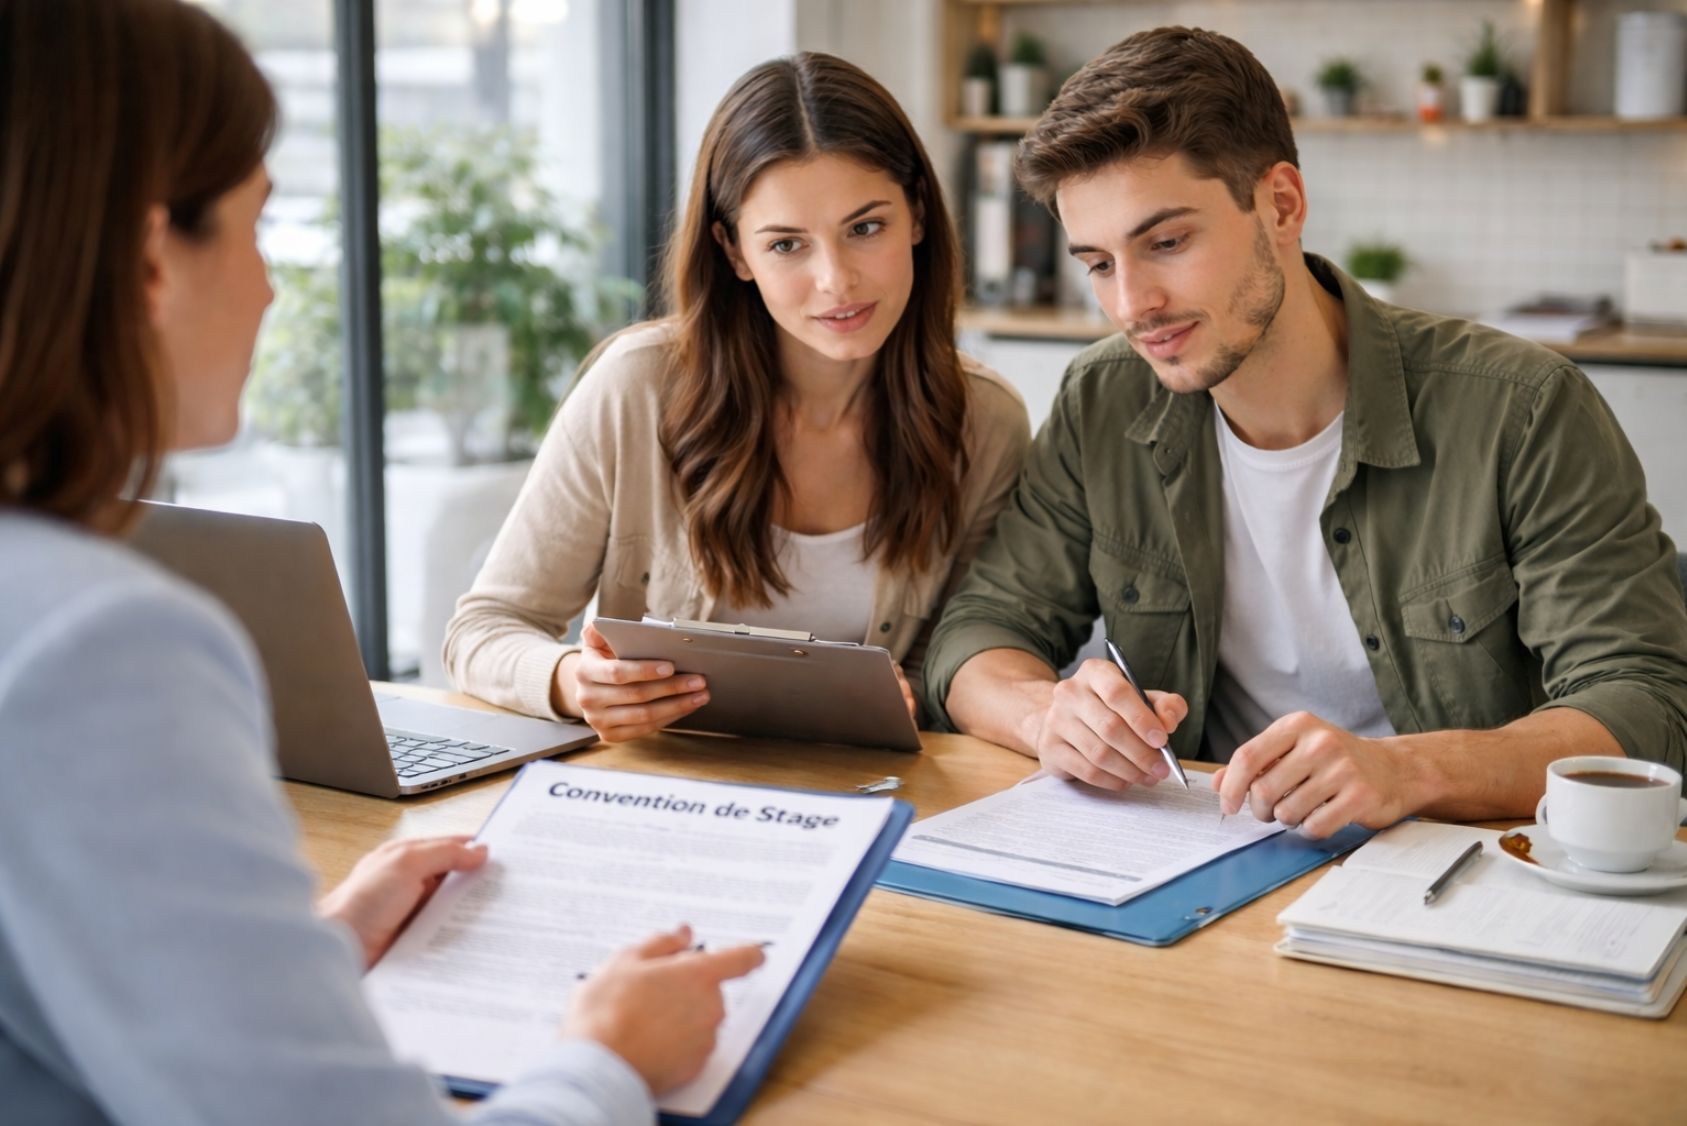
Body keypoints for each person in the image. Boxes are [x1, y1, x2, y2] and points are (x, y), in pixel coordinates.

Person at [0, 2, 761, 1123]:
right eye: (257, 229)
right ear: (152, 258)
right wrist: (606, 1060)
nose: (269, 287)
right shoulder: (102, 642)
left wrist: (302, 956)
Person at [924, 27, 1687, 838]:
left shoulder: (1520, 407)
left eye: (1168, 242)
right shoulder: (1103, 397)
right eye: (1099, 264)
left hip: (1459, 861)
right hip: (1211, 858)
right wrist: (1047, 715)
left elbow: (1643, 701)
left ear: (1280, 205)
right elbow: (982, 631)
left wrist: (1405, 768)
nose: (1130, 305)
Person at [443, 53, 1030, 742]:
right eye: (786, 245)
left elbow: (957, 662)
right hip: (662, 797)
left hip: (868, 798)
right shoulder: (636, 386)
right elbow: (482, 632)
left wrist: (914, 699)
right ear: (733, 252)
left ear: (918, 217)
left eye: (865, 228)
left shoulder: (984, 422)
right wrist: (573, 681)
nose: (835, 281)